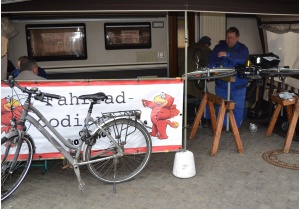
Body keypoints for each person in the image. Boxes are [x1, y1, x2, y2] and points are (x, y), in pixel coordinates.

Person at [207, 27, 249, 129]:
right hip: (222, 84)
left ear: (238, 37)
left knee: (238, 107)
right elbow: (211, 60)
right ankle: (222, 126)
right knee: (221, 106)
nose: (229, 40)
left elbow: (242, 57)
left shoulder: (243, 48)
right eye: (228, 37)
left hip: (238, 85)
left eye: (232, 38)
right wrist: (212, 67)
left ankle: (235, 128)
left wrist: (228, 54)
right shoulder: (219, 47)